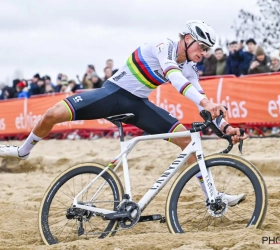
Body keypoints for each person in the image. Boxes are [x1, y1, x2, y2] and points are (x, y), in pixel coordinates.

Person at [0, 20, 247, 205]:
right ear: (187, 39)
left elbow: (202, 97)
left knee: (187, 141)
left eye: (207, 49)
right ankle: (23, 151)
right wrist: (206, 103)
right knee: (52, 114)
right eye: (201, 46)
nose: (203, 53)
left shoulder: (190, 68)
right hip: (112, 95)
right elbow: (175, 77)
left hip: (137, 105)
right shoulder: (165, 46)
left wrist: (226, 127)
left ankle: (213, 197)